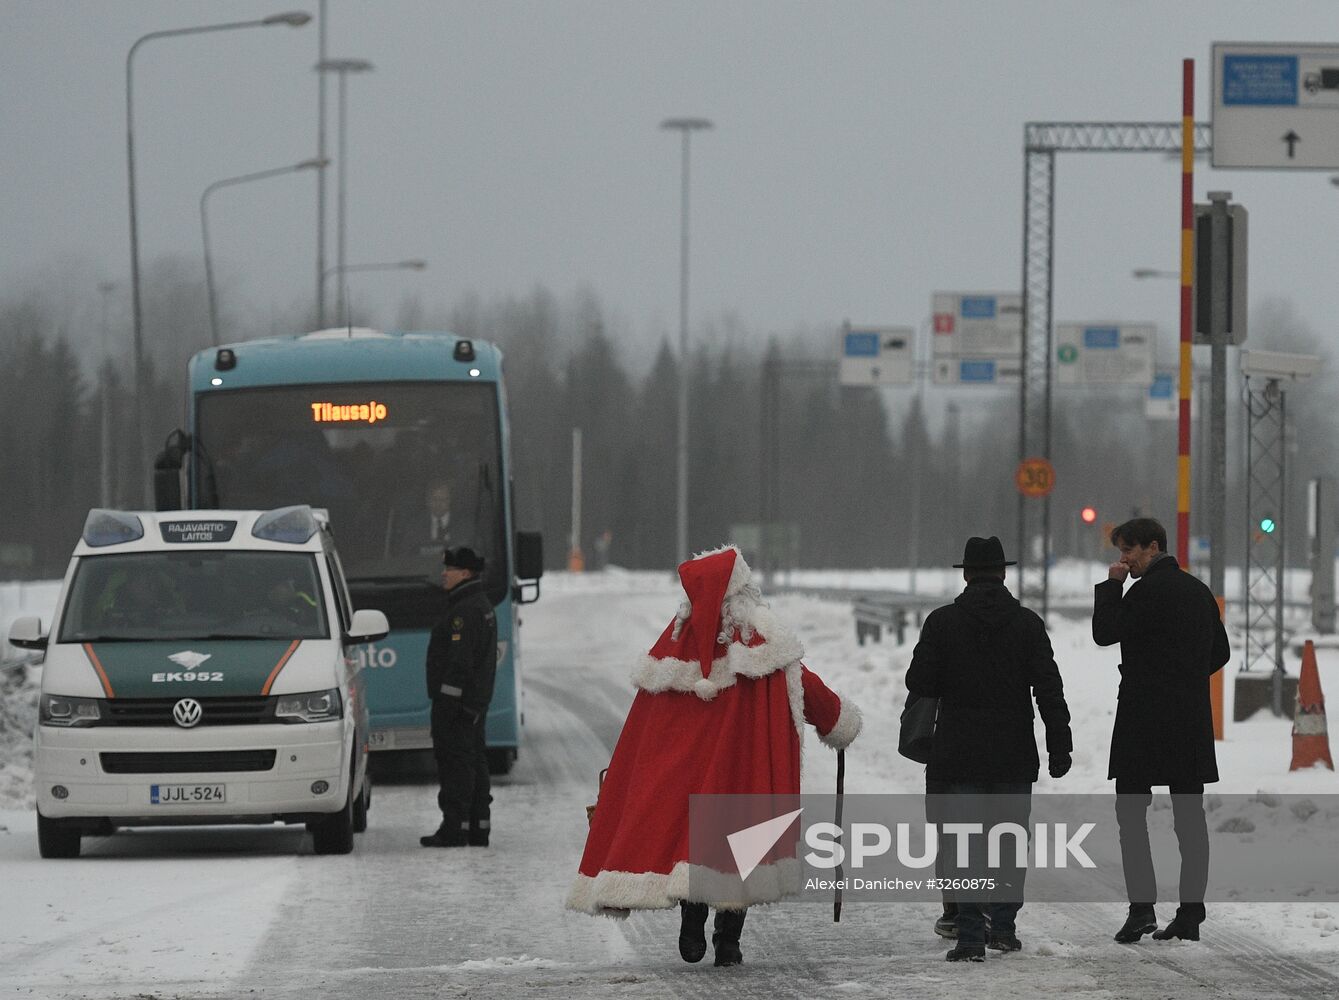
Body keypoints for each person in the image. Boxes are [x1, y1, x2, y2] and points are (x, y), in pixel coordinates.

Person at [566, 545, 861, 968]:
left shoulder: (672, 646)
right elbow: (803, 684)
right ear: (741, 589)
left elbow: (646, 723)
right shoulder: (761, 639)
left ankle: (692, 916)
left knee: (695, 845)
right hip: (747, 773)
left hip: (690, 779)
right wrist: (837, 721)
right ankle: (728, 939)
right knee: (742, 849)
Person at [905, 535, 1072, 962]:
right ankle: (1004, 929)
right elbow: (1049, 689)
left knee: (963, 844)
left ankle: (969, 937)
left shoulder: (941, 623)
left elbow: (920, 684)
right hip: (1012, 754)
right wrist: (1059, 742)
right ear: (1003, 573)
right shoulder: (1028, 624)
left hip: (957, 753)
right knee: (1009, 842)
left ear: (965, 573)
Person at [1092, 517, 1229, 944]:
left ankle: (1141, 910)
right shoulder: (1197, 591)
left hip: (1141, 719)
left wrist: (1111, 587)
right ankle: (1190, 914)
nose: (1123, 560)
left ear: (1153, 546)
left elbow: (1103, 633)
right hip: (1188, 719)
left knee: (1131, 815)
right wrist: (1186, 678)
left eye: (1129, 551)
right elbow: (1220, 651)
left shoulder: (1139, 593)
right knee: (1190, 819)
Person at [421, 546, 497, 848]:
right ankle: (478, 827)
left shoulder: (463, 612)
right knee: (474, 763)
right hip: (472, 706)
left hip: (456, 708)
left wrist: (448, 705)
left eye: (449, 569)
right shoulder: (478, 604)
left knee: (456, 766)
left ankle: (455, 829)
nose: (443, 574)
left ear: (465, 573)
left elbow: (459, 664)